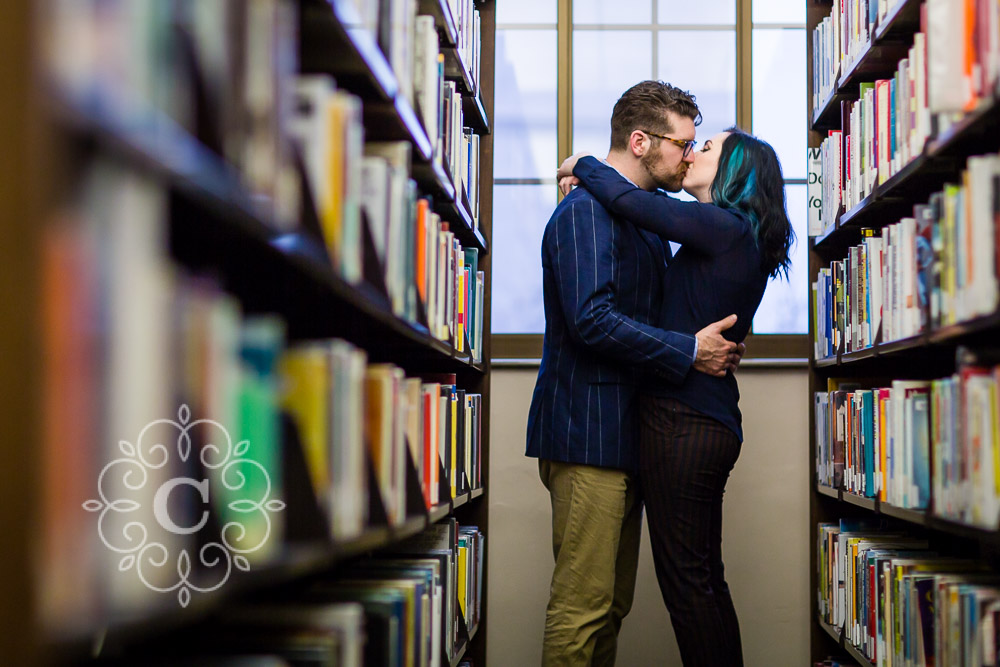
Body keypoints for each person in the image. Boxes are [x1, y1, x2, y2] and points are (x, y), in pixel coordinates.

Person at [557, 127, 794, 666]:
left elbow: (628, 198)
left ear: (734, 171)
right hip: (705, 421)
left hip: (684, 424)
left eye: (704, 148)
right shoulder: (734, 233)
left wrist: (582, 162)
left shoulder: (725, 227)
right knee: (704, 583)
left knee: (689, 590)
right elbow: (646, 204)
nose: (691, 154)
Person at [525, 81, 743, 667]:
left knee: (609, 605)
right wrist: (688, 351)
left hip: (624, 435)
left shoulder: (643, 219)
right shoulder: (584, 212)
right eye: (682, 144)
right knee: (583, 608)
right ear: (641, 141)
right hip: (586, 433)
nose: (690, 156)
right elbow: (592, 320)